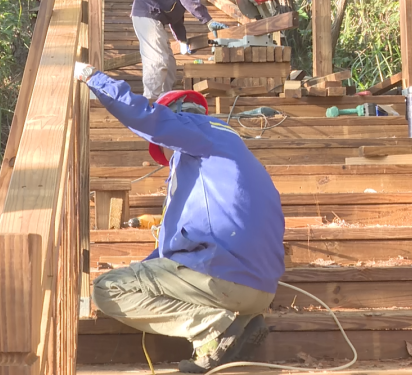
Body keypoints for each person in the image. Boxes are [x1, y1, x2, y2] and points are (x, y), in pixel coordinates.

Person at [73, 61, 285, 373]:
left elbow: (147, 116)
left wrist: (93, 77)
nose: (169, 157)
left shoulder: (198, 131)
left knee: (108, 288)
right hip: (261, 290)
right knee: (144, 277)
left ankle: (212, 328)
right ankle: (242, 326)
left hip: (224, 278)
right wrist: (143, 270)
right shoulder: (232, 155)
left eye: (166, 148)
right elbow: (168, 253)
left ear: (178, 118)